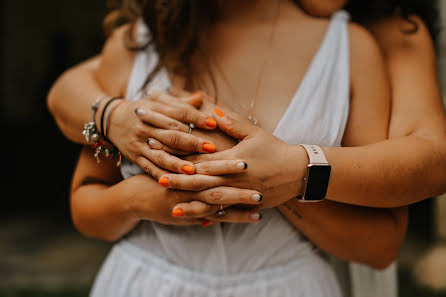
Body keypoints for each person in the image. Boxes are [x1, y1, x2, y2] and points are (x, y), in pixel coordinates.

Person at [46, 1, 445, 297]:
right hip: (141, 283)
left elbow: (382, 237)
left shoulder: (355, 48)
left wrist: (282, 180)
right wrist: (137, 198)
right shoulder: (138, 43)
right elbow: (86, 202)